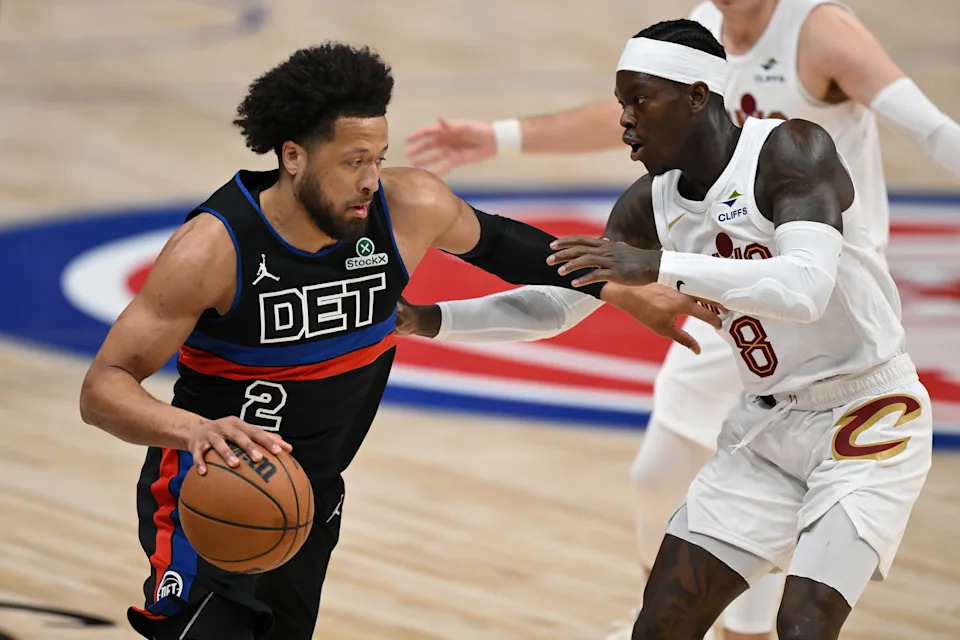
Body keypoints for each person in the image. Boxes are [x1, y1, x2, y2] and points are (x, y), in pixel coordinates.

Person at [77, 43, 719, 640]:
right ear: (293, 154)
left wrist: (627, 290)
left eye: (377, 158)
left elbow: (516, 250)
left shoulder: (407, 206)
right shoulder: (213, 250)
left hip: (308, 498)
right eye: (353, 162)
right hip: (211, 492)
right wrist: (191, 431)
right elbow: (102, 387)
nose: (370, 179)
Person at [404, 3, 960, 638]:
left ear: (697, 96)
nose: (624, 122)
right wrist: (427, 318)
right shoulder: (649, 205)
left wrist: (659, 266)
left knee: (804, 623)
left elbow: (805, 287)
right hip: (767, 425)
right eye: (621, 104)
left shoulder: (790, 150)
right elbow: (557, 305)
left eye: (639, 102)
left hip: (869, 413)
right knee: (659, 625)